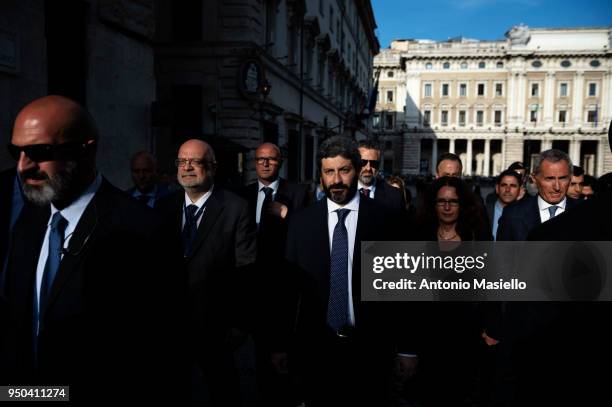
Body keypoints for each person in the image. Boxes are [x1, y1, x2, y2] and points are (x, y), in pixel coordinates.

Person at [0, 95, 185, 403]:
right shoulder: (28, 223)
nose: (23, 166)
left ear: (86, 150)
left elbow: (161, 353)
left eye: (39, 152)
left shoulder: (144, 230)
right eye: (16, 151)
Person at [279, 136, 417, 406]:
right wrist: (279, 343)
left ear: (356, 170)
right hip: (316, 348)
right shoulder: (301, 224)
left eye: (344, 170)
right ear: (321, 175)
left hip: (371, 348)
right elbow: (287, 290)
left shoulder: (387, 221)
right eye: (329, 172)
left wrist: (408, 348)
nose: (337, 180)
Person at [156, 139, 257, 407]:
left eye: (195, 161)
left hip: (217, 326)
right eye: (182, 161)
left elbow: (246, 270)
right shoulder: (163, 207)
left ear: (212, 167)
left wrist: (240, 323)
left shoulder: (235, 208)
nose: (187, 167)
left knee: (223, 393)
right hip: (171, 326)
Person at [243, 142, 309, 405]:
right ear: (254, 162)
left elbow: (308, 227)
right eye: (260, 159)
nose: (265, 163)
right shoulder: (244, 193)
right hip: (254, 278)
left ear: (280, 162)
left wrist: (286, 213)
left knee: (284, 346)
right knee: (260, 346)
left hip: (285, 278)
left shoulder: (298, 192)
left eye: (270, 159)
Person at [496, 149, 579, 241]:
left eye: (562, 178)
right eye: (549, 179)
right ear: (534, 178)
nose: (557, 187)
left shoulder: (587, 213)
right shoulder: (512, 214)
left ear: (570, 178)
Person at [357, 140, 406, 211]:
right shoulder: (342, 192)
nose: (368, 168)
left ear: (379, 165)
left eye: (373, 163)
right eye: (363, 162)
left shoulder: (394, 195)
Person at [486, 170, 522, 240]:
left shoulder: (528, 215)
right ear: (497, 188)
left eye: (513, 186)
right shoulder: (483, 212)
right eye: (504, 185)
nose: (507, 189)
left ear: (520, 190)